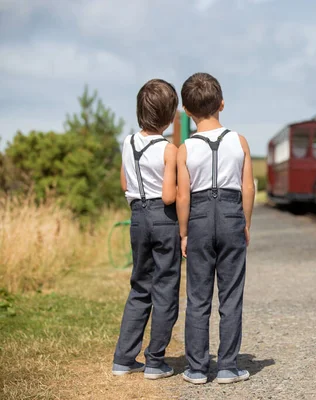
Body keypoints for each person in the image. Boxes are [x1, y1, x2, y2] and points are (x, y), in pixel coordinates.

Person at [176, 72, 255, 385]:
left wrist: (183, 232)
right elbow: (247, 188)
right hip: (231, 213)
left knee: (197, 295)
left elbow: (183, 195)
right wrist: (245, 223)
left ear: (187, 110)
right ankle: (227, 366)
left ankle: (196, 368)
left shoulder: (184, 148)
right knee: (231, 294)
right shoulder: (239, 141)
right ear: (222, 104)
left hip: (198, 217)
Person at [112, 79, 181, 380]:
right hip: (163, 219)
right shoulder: (169, 149)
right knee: (165, 289)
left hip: (137, 218)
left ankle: (124, 359)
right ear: (169, 116)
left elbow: (125, 184)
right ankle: (155, 361)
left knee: (140, 286)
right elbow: (168, 196)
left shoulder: (127, 143)